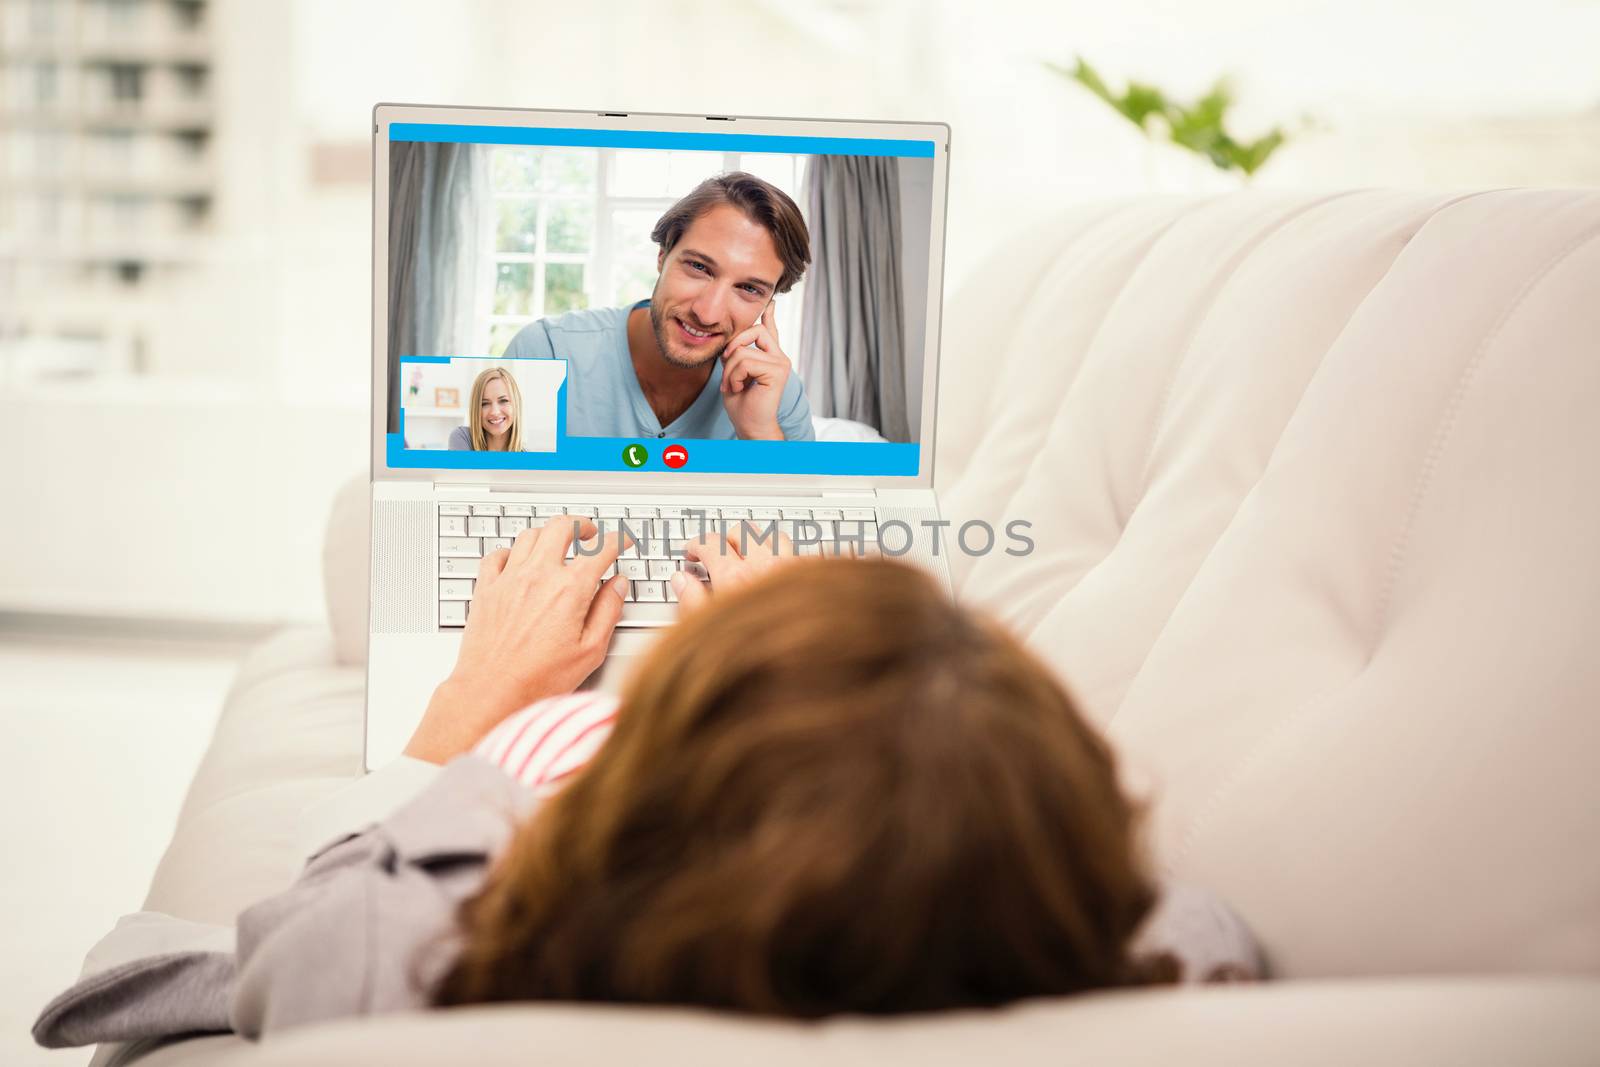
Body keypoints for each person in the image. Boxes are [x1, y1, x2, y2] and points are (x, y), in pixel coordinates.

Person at [33, 526, 1260, 1050]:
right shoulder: (1162, 959)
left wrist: (468, 726)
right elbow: (1184, 922)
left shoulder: (402, 950)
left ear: (637, 817)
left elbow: (306, 932)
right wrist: (826, 692)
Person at [504, 172, 816, 442]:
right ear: (663, 255)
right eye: (698, 267)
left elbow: (802, 513)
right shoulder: (545, 351)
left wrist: (759, 433)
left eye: (748, 289)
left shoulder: (778, 393)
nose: (707, 313)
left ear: (769, 303)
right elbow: (491, 497)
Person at [448, 366, 524, 451]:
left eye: (503, 401)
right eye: (485, 404)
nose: (495, 412)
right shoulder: (462, 438)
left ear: (515, 405)